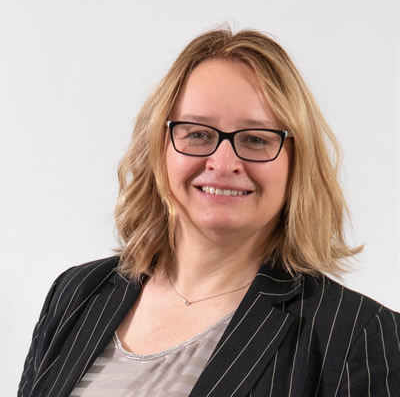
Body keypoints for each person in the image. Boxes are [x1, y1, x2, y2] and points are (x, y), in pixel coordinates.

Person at [18, 28, 399, 397]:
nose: (223, 162)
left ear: (297, 161)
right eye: (198, 133)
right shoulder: (77, 294)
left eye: (256, 139)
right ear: (159, 147)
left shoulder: (359, 336)